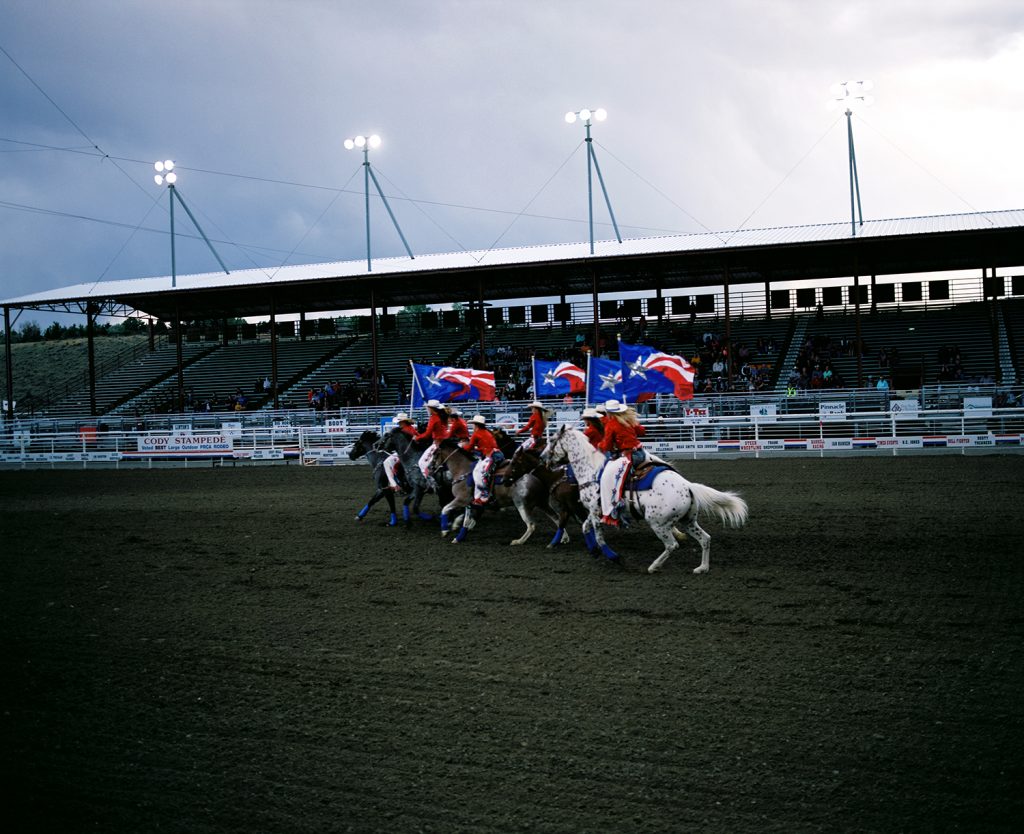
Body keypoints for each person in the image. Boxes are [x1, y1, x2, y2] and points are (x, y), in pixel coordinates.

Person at [598, 399, 648, 527]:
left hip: (629, 456)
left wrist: (600, 445)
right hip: (641, 453)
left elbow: (607, 445)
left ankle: (615, 506)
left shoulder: (611, 424)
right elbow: (642, 431)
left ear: (608, 413)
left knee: (607, 477)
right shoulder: (628, 420)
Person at [463, 414, 503, 505]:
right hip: (496, 454)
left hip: (491, 456)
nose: (473, 426)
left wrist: (462, 447)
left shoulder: (476, 433)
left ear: (476, 425)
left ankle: (485, 495)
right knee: (481, 471)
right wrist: (477, 449)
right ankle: (479, 497)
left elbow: (469, 447)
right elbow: (485, 446)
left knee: (479, 473)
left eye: (473, 424)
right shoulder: (486, 432)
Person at [414, 399, 450, 479]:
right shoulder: (442, 416)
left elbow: (427, 434)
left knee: (421, 463)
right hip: (445, 442)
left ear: (431, 408)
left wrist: (417, 437)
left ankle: (430, 483)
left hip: (437, 444)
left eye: (428, 408)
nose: (427, 409)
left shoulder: (434, 418)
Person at [383, 413, 416, 492]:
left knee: (386, 463)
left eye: (399, 422)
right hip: (408, 452)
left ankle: (394, 485)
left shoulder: (405, 430)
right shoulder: (410, 429)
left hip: (405, 454)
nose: (398, 423)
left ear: (404, 422)